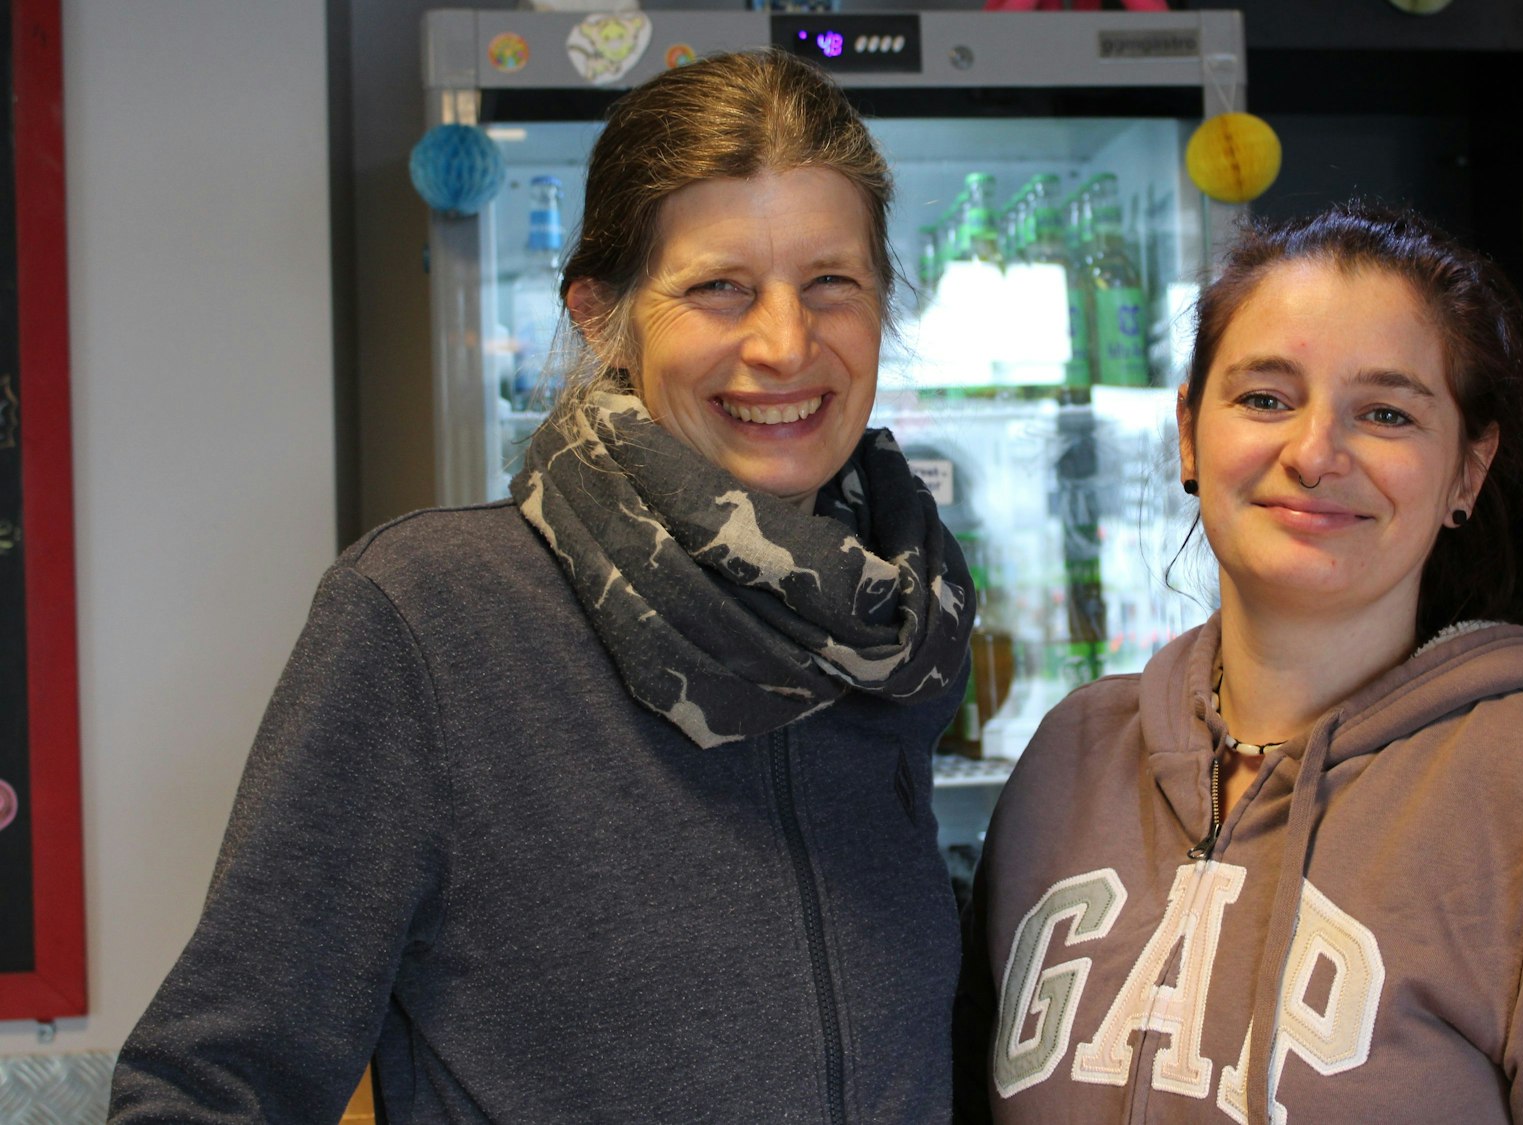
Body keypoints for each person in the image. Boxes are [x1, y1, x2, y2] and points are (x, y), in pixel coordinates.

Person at [112, 50, 972, 1124]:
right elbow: (209, 1088)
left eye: (831, 283)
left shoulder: (899, 623)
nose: (785, 343)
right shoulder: (434, 617)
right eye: (719, 287)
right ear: (601, 315)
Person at [956, 203, 1523, 1123]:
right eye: (1266, 398)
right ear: (1189, 432)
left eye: (1386, 413)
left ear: (1468, 470)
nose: (1314, 454)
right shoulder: (1070, 760)